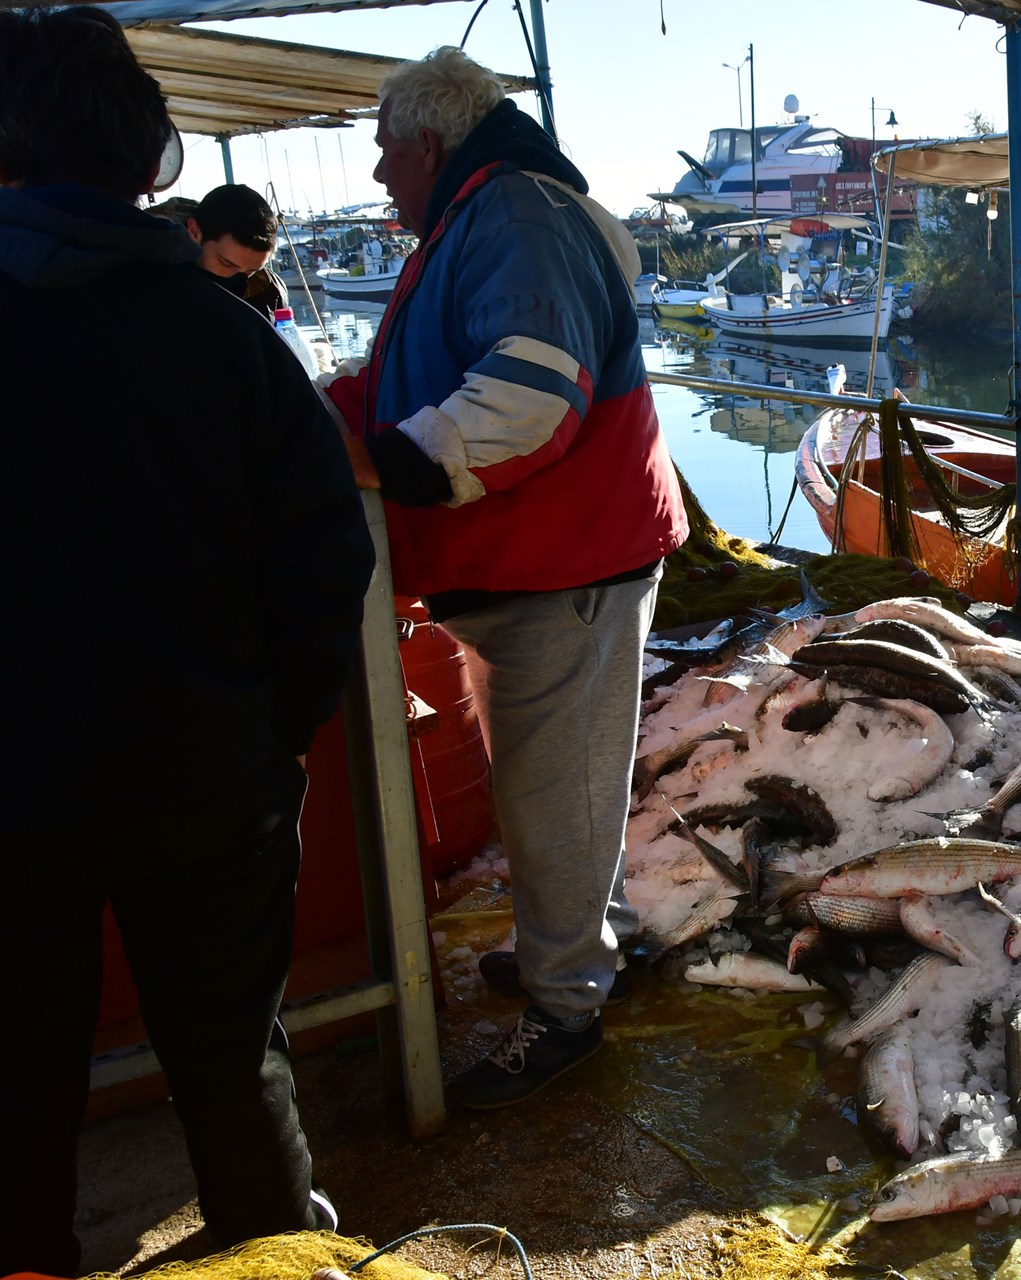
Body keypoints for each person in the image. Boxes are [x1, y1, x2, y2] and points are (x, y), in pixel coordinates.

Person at [0, 8, 373, 1273]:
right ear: (148, 159)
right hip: (213, 775)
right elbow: (325, 557)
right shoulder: (228, 337)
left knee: (14, 1074)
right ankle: (269, 1245)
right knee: (231, 1050)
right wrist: (276, 724)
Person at [320, 47, 687, 1109]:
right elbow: (421, 373)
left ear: (432, 142)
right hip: (542, 562)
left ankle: (567, 1010)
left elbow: (530, 396)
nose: (379, 173)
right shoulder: (481, 215)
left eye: (387, 151)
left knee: (550, 795)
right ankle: (592, 943)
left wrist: (384, 461)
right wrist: (327, 413)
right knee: (564, 784)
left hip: (563, 564)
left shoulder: (511, 215)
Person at [152, 181, 289, 319]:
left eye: (252, 271)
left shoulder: (268, 292)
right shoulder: (149, 284)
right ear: (194, 232)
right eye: (226, 263)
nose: (240, 281)